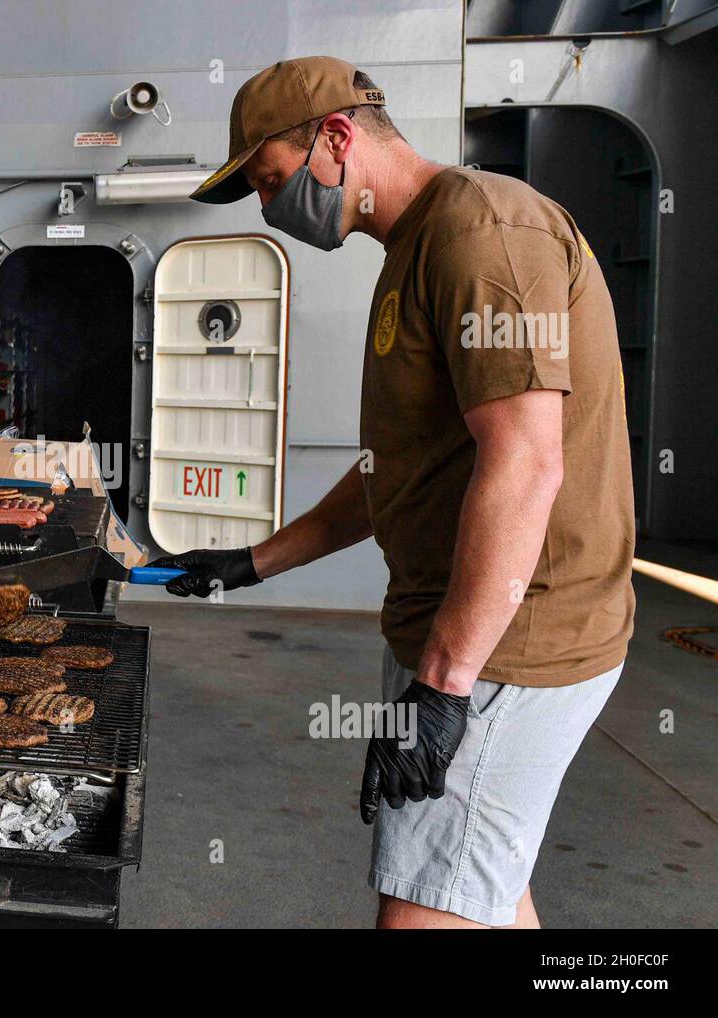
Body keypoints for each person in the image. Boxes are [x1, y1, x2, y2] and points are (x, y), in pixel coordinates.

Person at [153, 57, 634, 928]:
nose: (271, 211)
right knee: (481, 891)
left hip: (508, 644)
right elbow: (402, 467)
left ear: (336, 139)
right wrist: (254, 562)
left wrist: (448, 685)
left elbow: (526, 462)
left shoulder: (485, 235)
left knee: (425, 911)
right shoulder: (415, 247)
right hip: (456, 632)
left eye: (272, 183)